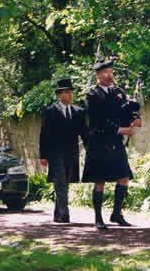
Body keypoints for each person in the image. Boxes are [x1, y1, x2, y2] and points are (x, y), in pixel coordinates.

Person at [82, 58, 140, 230]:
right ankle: (98, 218)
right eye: (106, 73)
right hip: (99, 141)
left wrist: (135, 118)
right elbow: (97, 120)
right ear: (98, 75)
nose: (110, 75)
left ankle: (116, 214)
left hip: (115, 142)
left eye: (111, 72)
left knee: (124, 178)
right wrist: (120, 130)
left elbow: (125, 111)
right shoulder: (91, 96)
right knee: (100, 180)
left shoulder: (118, 93)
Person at [39, 78, 88, 223]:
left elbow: (85, 133)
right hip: (55, 153)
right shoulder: (50, 111)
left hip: (71, 153)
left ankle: (57, 214)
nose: (70, 95)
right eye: (66, 93)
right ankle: (64, 216)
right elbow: (44, 134)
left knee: (65, 184)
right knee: (60, 183)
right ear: (60, 94)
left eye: (71, 92)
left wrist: (90, 150)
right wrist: (43, 155)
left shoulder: (79, 112)